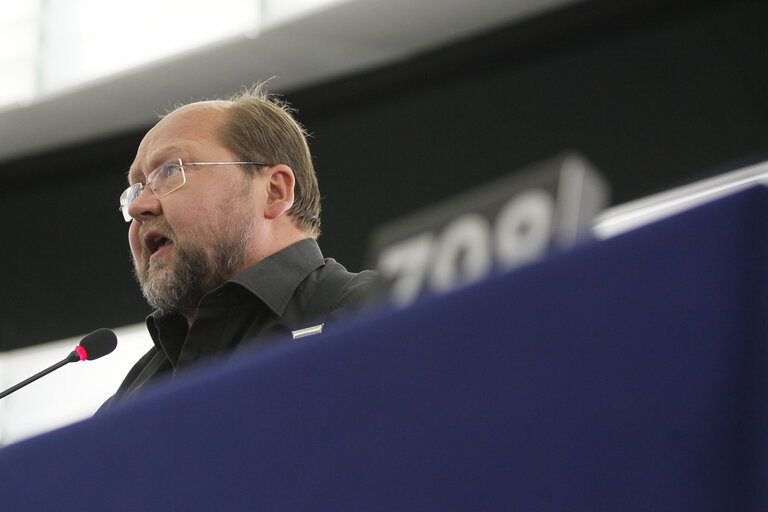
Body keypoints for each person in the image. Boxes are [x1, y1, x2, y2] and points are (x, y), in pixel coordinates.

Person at [101, 85, 378, 408]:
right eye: (135, 190)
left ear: (274, 191)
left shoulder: (375, 311)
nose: (139, 207)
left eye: (171, 171)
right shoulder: (129, 401)